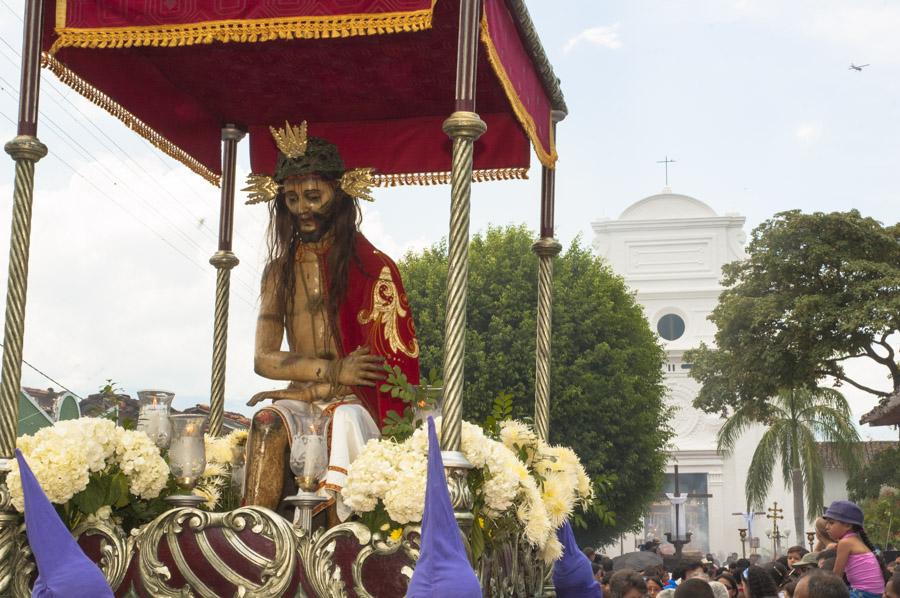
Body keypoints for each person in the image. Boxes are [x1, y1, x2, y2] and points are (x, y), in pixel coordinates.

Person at [243, 123, 420, 523]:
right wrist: (330, 372)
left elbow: (388, 367)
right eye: (291, 199)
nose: (302, 208)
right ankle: (250, 531)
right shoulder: (278, 273)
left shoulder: (373, 270)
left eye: (312, 196)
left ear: (338, 195)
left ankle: (342, 543)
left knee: (341, 420)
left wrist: (340, 381)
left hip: (356, 401)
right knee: (268, 422)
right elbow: (263, 358)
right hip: (302, 396)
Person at [824, 500, 888, 597]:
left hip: (865, 593)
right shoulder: (855, 541)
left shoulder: (845, 543)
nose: (826, 527)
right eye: (827, 523)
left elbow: (836, 577)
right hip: (876, 593)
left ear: (848, 525)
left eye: (831, 523)